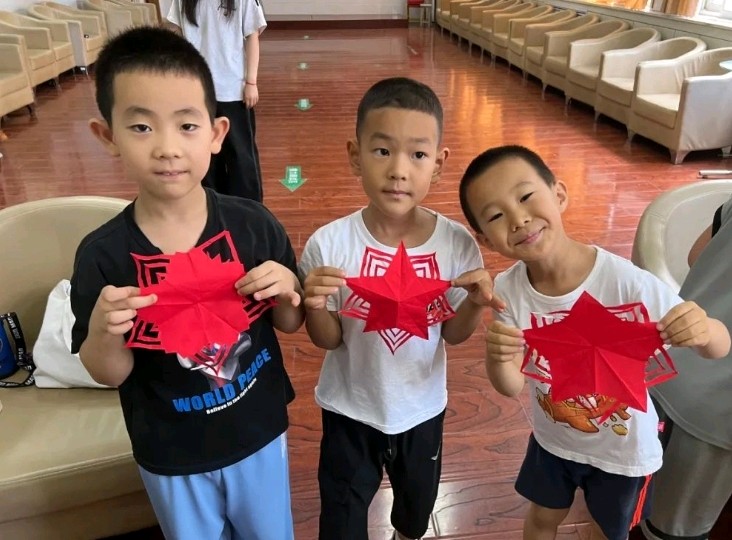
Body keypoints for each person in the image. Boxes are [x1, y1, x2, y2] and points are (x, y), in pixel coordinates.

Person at [69, 27, 304, 540]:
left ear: (217, 134)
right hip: (170, 451)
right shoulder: (103, 256)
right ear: (107, 136)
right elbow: (108, 372)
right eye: (141, 127)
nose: (167, 148)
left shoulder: (252, 225)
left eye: (187, 125)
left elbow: (290, 321)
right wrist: (105, 333)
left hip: (258, 431)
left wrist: (288, 285)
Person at [457, 145, 731, 540]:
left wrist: (705, 329)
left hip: (624, 453)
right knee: (541, 519)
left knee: (610, 531)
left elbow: (718, 346)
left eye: (526, 196)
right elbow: (511, 386)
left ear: (559, 194)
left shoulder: (626, 283)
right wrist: (499, 357)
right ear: (485, 240)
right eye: (497, 216)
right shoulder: (508, 290)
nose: (518, 219)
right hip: (554, 441)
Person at [298, 77, 501, 540]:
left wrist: (474, 304)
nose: (398, 171)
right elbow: (328, 340)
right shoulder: (330, 244)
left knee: (415, 512)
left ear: (439, 164)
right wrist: (315, 304)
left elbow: (453, 335)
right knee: (342, 517)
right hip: (349, 409)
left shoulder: (456, 244)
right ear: (355, 155)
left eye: (418, 155)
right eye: (382, 151)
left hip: (422, 410)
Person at [641, 194, 732, 540]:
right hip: (715, 413)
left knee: (639, 487)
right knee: (673, 527)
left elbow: (696, 255)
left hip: (665, 363)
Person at [167, 0, 266, 202]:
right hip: (196, 90)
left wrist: (251, 82)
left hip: (232, 90)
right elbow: (175, 32)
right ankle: (213, 204)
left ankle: (248, 207)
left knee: (240, 154)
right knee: (204, 153)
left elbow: (253, 35)